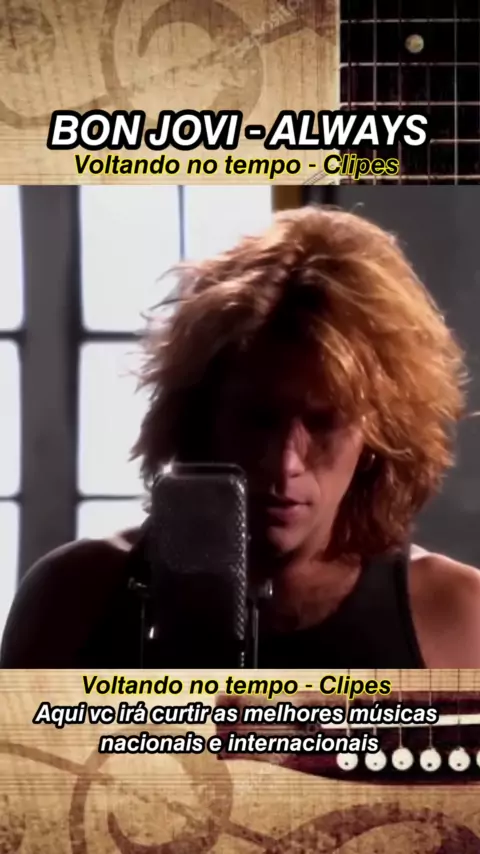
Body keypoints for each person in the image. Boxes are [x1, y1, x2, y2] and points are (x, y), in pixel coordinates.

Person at [2, 205, 480, 669]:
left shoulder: (456, 617)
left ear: (378, 436)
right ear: (201, 416)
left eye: (322, 423)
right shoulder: (72, 598)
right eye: (259, 419)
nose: (284, 463)